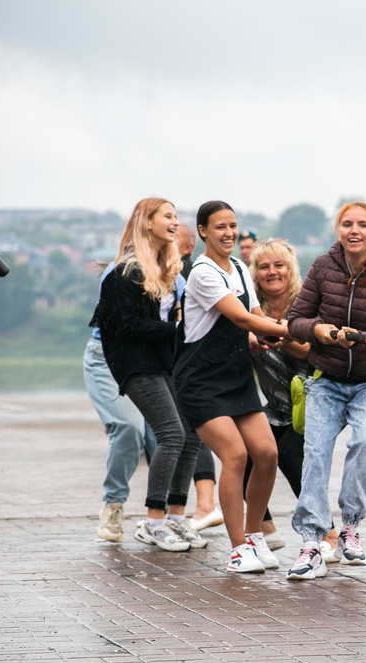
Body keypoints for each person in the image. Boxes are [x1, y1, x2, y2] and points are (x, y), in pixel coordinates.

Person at [285, 202, 366, 580]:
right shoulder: (322, 266)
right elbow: (296, 320)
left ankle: (350, 526)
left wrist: (360, 340)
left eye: (363, 224)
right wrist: (319, 331)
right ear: (338, 230)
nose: (354, 230)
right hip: (326, 378)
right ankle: (311, 541)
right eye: (347, 224)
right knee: (314, 452)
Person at [174, 201, 289, 573]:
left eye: (233, 225)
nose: (229, 233)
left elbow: (255, 315)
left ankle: (255, 536)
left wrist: (270, 333)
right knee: (236, 456)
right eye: (220, 227)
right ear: (203, 231)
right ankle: (239, 549)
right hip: (200, 382)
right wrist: (294, 330)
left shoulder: (240, 266)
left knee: (267, 453)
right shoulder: (202, 273)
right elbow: (239, 318)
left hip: (237, 377)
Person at [90, 198, 205, 553]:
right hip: (136, 365)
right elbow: (126, 328)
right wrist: (179, 331)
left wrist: (181, 332)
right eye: (168, 217)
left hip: (165, 362)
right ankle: (153, 522)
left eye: (175, 216)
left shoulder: (167, 267)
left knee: (190, 435)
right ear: (147, 222)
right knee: (170, 434)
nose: (175, 222)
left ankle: (175, 517)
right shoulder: (125, 272)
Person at [244, 239, 338, 556]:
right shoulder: (248, 311)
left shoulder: (307, 304)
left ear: (291, 269)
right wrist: (250, 341)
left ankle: (329, 534)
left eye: (279, 265)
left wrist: (287, 339)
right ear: (254, 274)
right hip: (276, 406)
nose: (272, 272)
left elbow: (319, 352)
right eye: (264, 267)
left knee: (288, 452)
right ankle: (264, 530)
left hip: (315, 400)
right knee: (244, 452)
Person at [84, 260, 155, 542]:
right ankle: (113, 506)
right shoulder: (121, 270)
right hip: (107, 359)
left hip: (149, 360)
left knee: (165, 436)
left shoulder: (176, 272)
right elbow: (126, 325)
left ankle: (162, 517)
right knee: (128, 426)